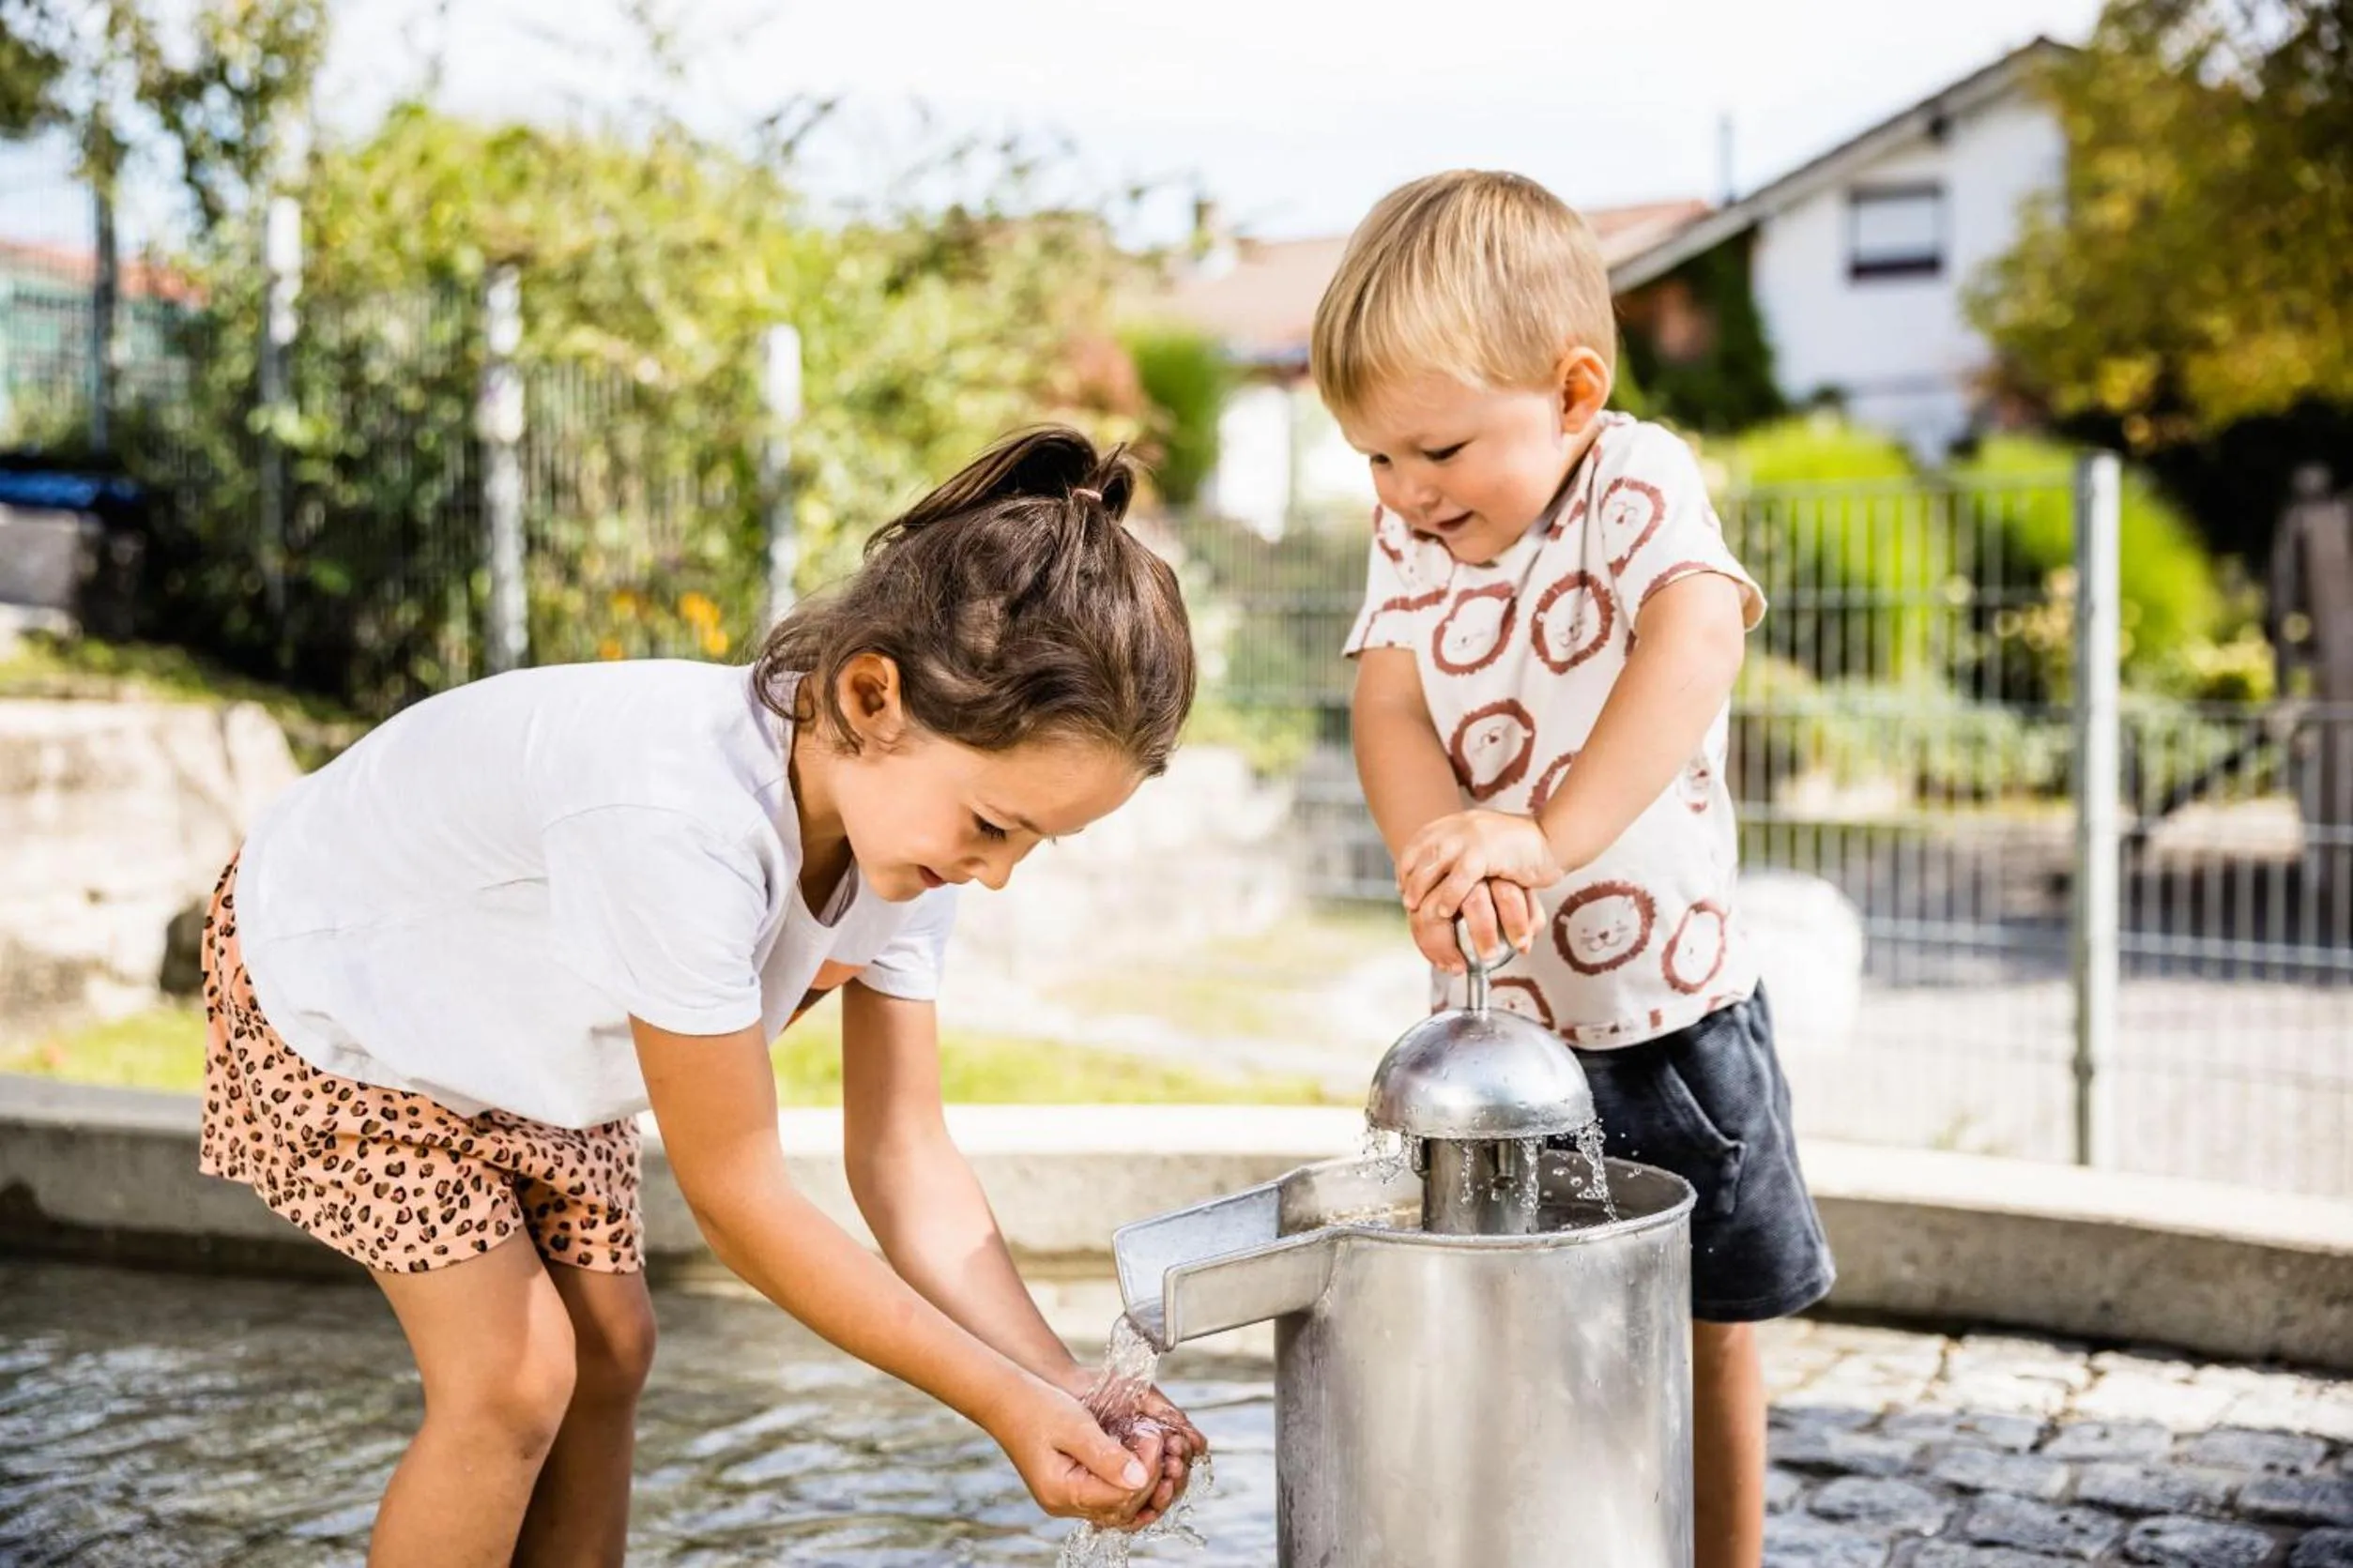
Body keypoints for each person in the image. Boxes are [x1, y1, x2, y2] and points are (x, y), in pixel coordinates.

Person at [196, 426, 1206, 1566]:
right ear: (873, 696)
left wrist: (1060, 1378)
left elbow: (905, 1158)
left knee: (611, 1350)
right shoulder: (679, 821)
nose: (998, 872)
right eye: (993, 826)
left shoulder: (910, 835)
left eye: (1033, 843)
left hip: (515, 1021)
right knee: (514, 1381)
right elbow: (739, 1203)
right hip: (347, 997)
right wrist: (1002, 1407)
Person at [1312, 170, 1835, 1568]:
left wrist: (1540, 838)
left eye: (1433, 449)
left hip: (1667, 1016)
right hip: (1499, 1034)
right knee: (1504, 1321)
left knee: (1703, 1320)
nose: (1406, 493)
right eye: (1373, 460)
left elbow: (1697, 634)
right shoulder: (1406, 532)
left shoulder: (1633, 479)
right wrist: (1439, 843)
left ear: (1571, 391)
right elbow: (1390, 703)